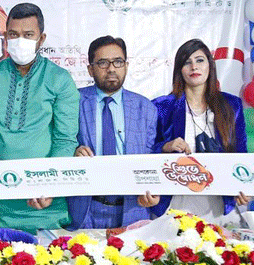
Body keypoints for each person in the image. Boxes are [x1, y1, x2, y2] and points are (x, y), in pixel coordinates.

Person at [0, 3, 79, 232]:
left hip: (43, 204)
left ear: (41, 38)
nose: (20, 41)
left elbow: (65, 140)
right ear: (5, 37)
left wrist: (50, 185)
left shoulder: (59, 79)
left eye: (28, 35)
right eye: (13, 34)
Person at [68, 36, 160, 230]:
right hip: (85, 208)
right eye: (102, 63)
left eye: (118, 62)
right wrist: (73, 152)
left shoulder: (145, 109)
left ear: (126, 66)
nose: (111, 69)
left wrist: (153, 191)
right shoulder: (73, 101)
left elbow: (152, 159)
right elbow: (59, 143)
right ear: (90, 69)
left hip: (132, 208)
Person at [153, 39, 249, 225]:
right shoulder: (162, 106)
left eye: (199, 60)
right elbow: (147, 152)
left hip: (218, 205)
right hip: (175, 204)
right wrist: (165, 146)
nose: (194, 67)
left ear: (210, 66)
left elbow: (240, 153)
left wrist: (243, 187)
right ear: (179, 70)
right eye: (187, 62)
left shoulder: (231, 105)